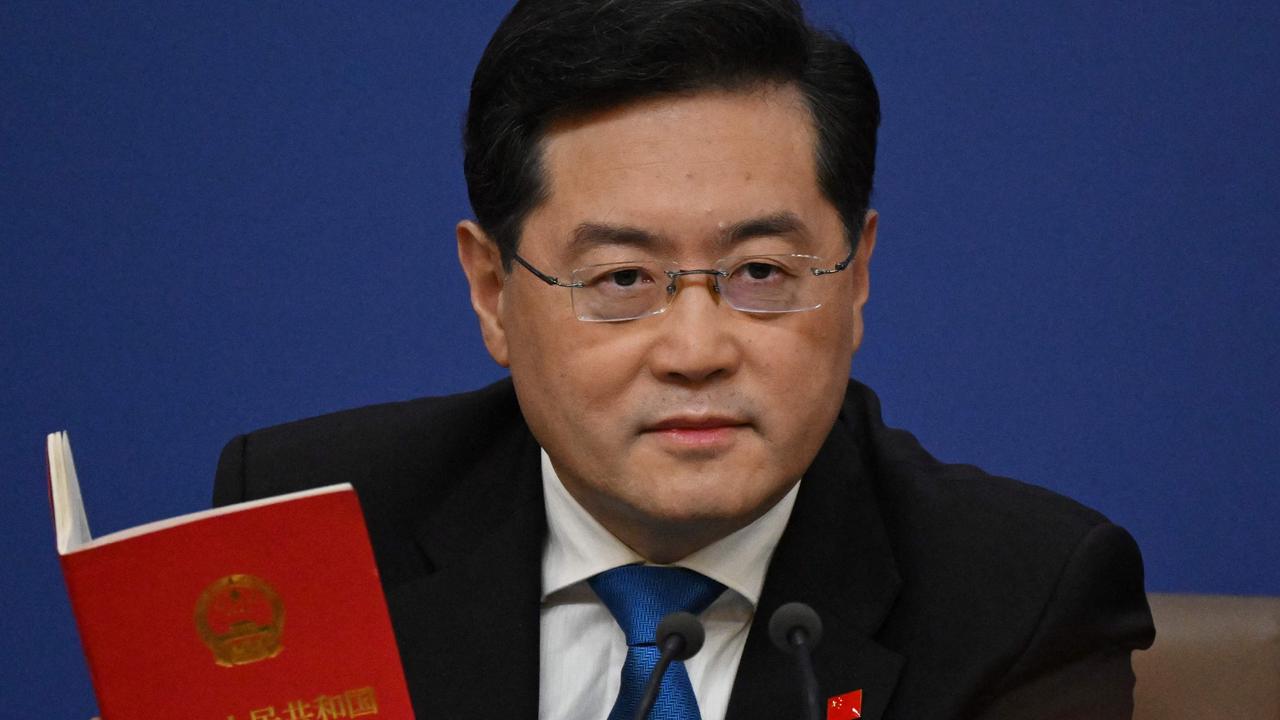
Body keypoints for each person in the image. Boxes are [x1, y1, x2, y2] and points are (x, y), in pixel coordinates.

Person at [213, 1, 1155, 718]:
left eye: (759, 271)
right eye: (623, 278)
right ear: (494, 292)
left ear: (858, 277)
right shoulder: (312, 526)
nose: (698, 350)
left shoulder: (1020, 602)